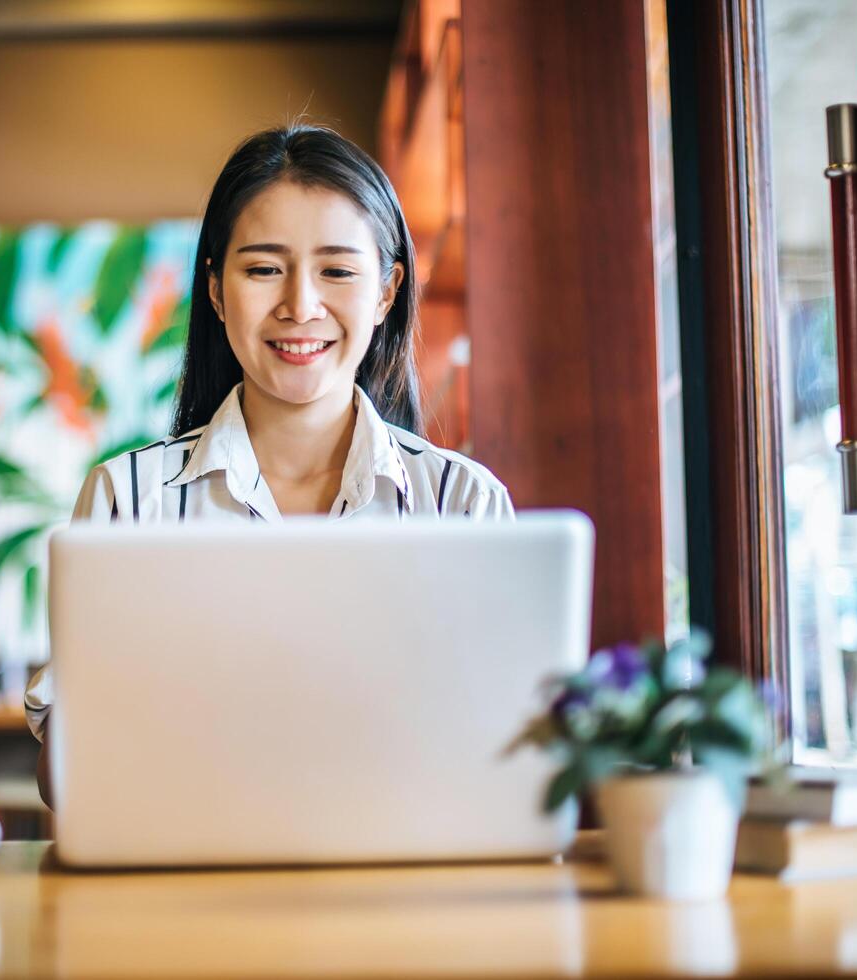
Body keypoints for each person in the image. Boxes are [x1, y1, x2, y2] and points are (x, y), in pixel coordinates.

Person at [30, 123, 513, 806]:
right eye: (262, 269)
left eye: (338, 271)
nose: (300, 306)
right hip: (182, 887)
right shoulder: (127, 500)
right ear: (218, 291)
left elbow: (508, 763)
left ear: (384, 291)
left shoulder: (463, 504)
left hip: (406, 892)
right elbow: (65, 785)